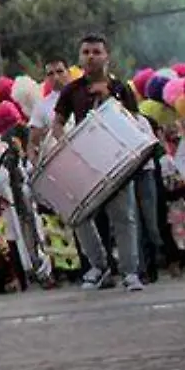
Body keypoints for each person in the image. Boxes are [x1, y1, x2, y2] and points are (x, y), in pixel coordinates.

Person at [50, 35, 148, 292]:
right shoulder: (72, 90)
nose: (91, 56)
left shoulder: (120, 88)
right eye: (86, 52)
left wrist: (109, 97)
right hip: (86, 161)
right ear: (80, 58)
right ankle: (98, 266)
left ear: (107, 56)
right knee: (79, 214)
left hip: (116, 161)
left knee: (123, 218)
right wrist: (67, 144)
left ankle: (130, 272)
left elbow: (135, 122)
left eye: (96, 52)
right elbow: (57, 123)